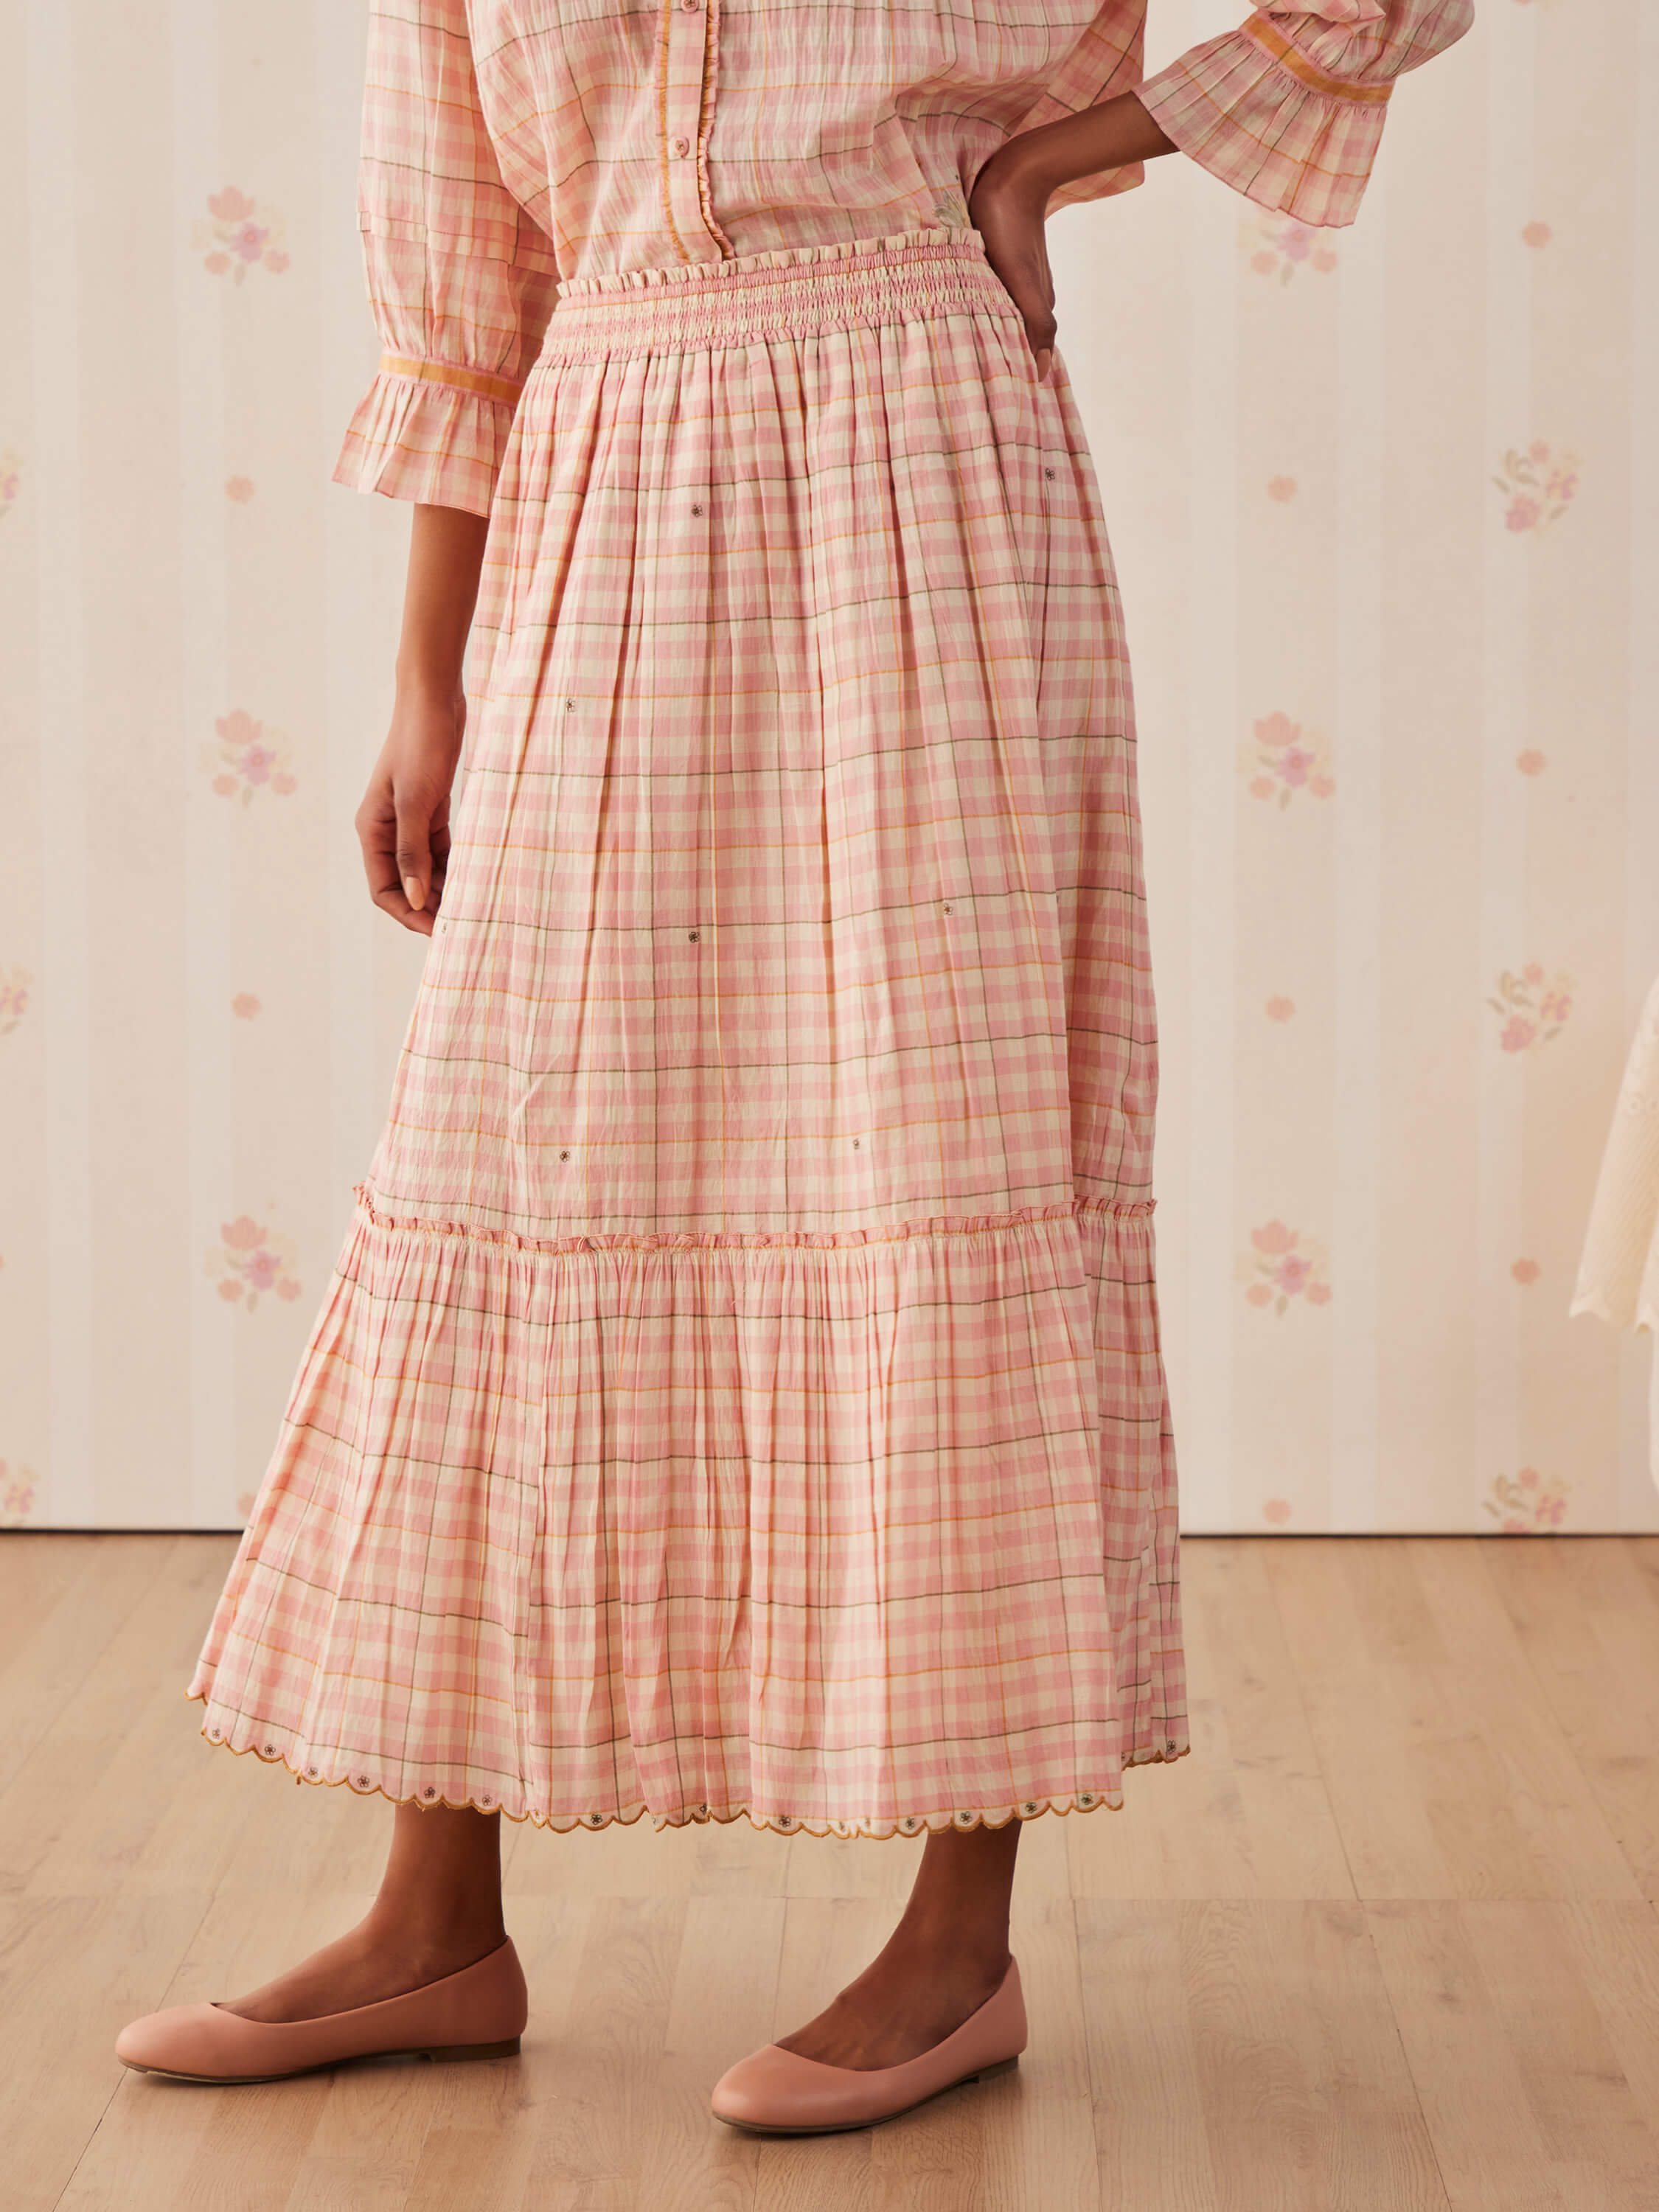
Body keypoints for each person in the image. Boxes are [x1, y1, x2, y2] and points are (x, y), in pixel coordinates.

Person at [116, 0, 1472, 2131]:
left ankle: (957, 1944)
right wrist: (421, 677)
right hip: (597, 478)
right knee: (518, 1164)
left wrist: (1042, 162)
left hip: (923, 472)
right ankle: (432, 1916)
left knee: (939, 1142)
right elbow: (466, 280)